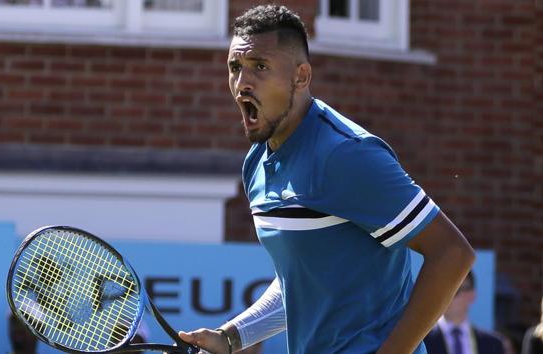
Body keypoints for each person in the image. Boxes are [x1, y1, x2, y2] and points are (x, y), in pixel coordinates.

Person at [178, 4, 475, 354]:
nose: (242, 83)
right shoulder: (256, 163)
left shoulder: (347, 155)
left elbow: (453, 253)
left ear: (301, 76)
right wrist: (232, 337)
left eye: (260, 67)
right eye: (235, 67)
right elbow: (302, 282)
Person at [424, 271, 509, 354]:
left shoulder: (493, 344)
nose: (447, 297)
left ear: (471, 295)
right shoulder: (422, 342)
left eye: (455, 290)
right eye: (443, 290)